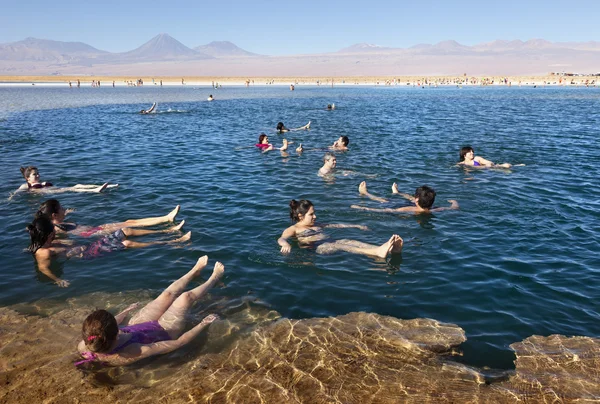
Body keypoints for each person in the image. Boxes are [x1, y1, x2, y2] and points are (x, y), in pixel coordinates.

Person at [76, 255, 222, 366]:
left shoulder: (85, 344)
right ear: (114, 335)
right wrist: (203, 324)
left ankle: (194, 271)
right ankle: (214, 279)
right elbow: (179, 343)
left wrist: (126, 310)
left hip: (137, 325)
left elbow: (110, 324)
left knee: (166, 295)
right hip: (164, 331)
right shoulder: (132, 351)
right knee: (185, 297)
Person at [26, 216, 191, 287]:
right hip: (90, 254)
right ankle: (172, 242)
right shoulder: (44, 252)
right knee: (126, 243)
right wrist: (58, 280)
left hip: (92, 246)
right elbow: (43, 268)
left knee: (126, 230)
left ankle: (167, 231)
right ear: (48, 234)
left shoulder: (50, 242)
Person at [278, 199, 403, 258]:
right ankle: (377, 252)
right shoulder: (294, 228)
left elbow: (336, 225)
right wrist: (286, 245)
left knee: (349, 241)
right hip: (317, 248)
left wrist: (357, 226)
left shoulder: (316, 224)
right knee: (341, 246)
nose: (315, 216)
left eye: (314, 213)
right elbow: (282, 238)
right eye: (311, 214)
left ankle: (388, 251)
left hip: (330, 242)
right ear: (300, 216)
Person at [36, 199, 183, 238]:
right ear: (54, 215)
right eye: (61, 208)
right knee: (129, 228)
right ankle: (169, 230)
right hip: (94, 233)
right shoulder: (55, 228)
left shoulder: (59, 222)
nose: (64, 209)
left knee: (130, 221)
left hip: (98, 228)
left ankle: (166, 218)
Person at [351, 181, 459, 213]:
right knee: (411, 199)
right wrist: (454, 201)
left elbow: (385, 211)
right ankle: (397, 192)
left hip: (404, 206)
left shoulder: (407, 209)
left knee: (384, 200)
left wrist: (362, 208)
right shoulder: (436, 209)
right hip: (418, 205)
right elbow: (454, 207)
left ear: (417, 199)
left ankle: (366, 193)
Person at [13, 166, 117, 197]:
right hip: (50, 192)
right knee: (74, 189)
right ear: (28, 178)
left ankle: (105, 186)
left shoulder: (42, 183)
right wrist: (10, 198)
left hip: (56, 188)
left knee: (77, 185)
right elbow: (16, 192)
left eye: (38, 173)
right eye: (34, 174)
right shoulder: (26, 185)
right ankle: (95, 191)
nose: (38, 175)